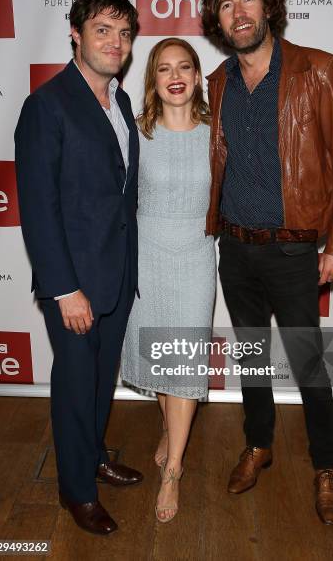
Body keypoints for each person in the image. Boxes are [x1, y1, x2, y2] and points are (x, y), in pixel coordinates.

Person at [201, 0, 333, 525]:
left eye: (247, 0)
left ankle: (326, 465)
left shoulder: (317, 70)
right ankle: (259, 444)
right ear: (217, 19)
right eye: (226, 5)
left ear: (267, 6)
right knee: (250, 356)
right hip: (236, 248)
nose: (238, 13)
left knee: (308, 365)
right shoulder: (218, 82)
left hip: (296, 251)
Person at [15, 0, 143, 536]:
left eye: (124, 33)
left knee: (98, 383)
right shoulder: (46, 105)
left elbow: (118, 193)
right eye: (102, 31)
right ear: (75, 34)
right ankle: (76, 491)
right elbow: (38, 207)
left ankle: (93, 456)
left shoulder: (121, 100)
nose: (115, 43)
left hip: (116, 273)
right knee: (73, 385)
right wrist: (64, 288)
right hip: (75, 281)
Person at [121, 38, 215, 523]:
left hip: (197, 258)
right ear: (153, 80)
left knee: (185, 355)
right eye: (164, 68)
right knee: (161, 350)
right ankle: (169, 427)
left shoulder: (218, 133)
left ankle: (173, 469)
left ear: (198, 76)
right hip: (147, 258)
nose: (174, 75)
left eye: (184, 66)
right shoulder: (135, 133)